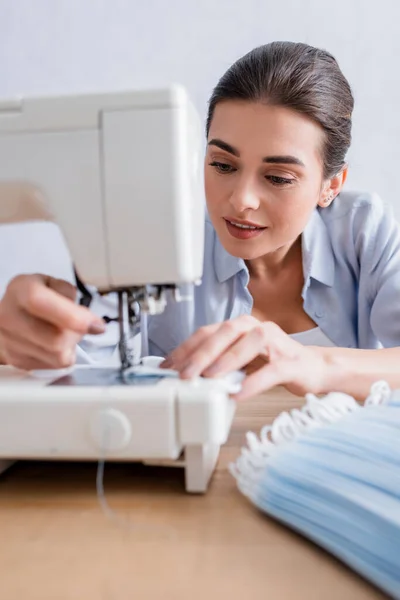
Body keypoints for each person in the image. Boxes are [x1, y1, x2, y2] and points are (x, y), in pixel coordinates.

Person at [1, 41, 400, 401]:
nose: (241, 201)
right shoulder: (154, 232)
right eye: (222, 165)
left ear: (330, 186)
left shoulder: (364, 230)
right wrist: (27, 339)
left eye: (278, 177)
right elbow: (76, 360)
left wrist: (317, 364)